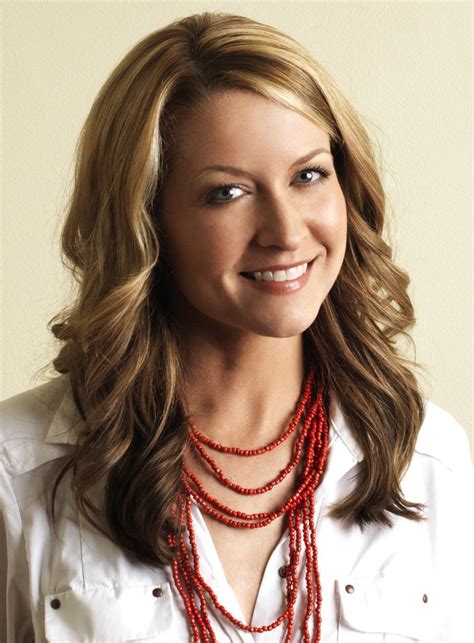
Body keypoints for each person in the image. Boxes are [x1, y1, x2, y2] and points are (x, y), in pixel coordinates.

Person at [0, 11, 472, 643]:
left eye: (308, 175)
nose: (285, 232)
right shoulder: (19, 471)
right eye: (227, 193)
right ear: (146, 223)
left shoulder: (427, 460)